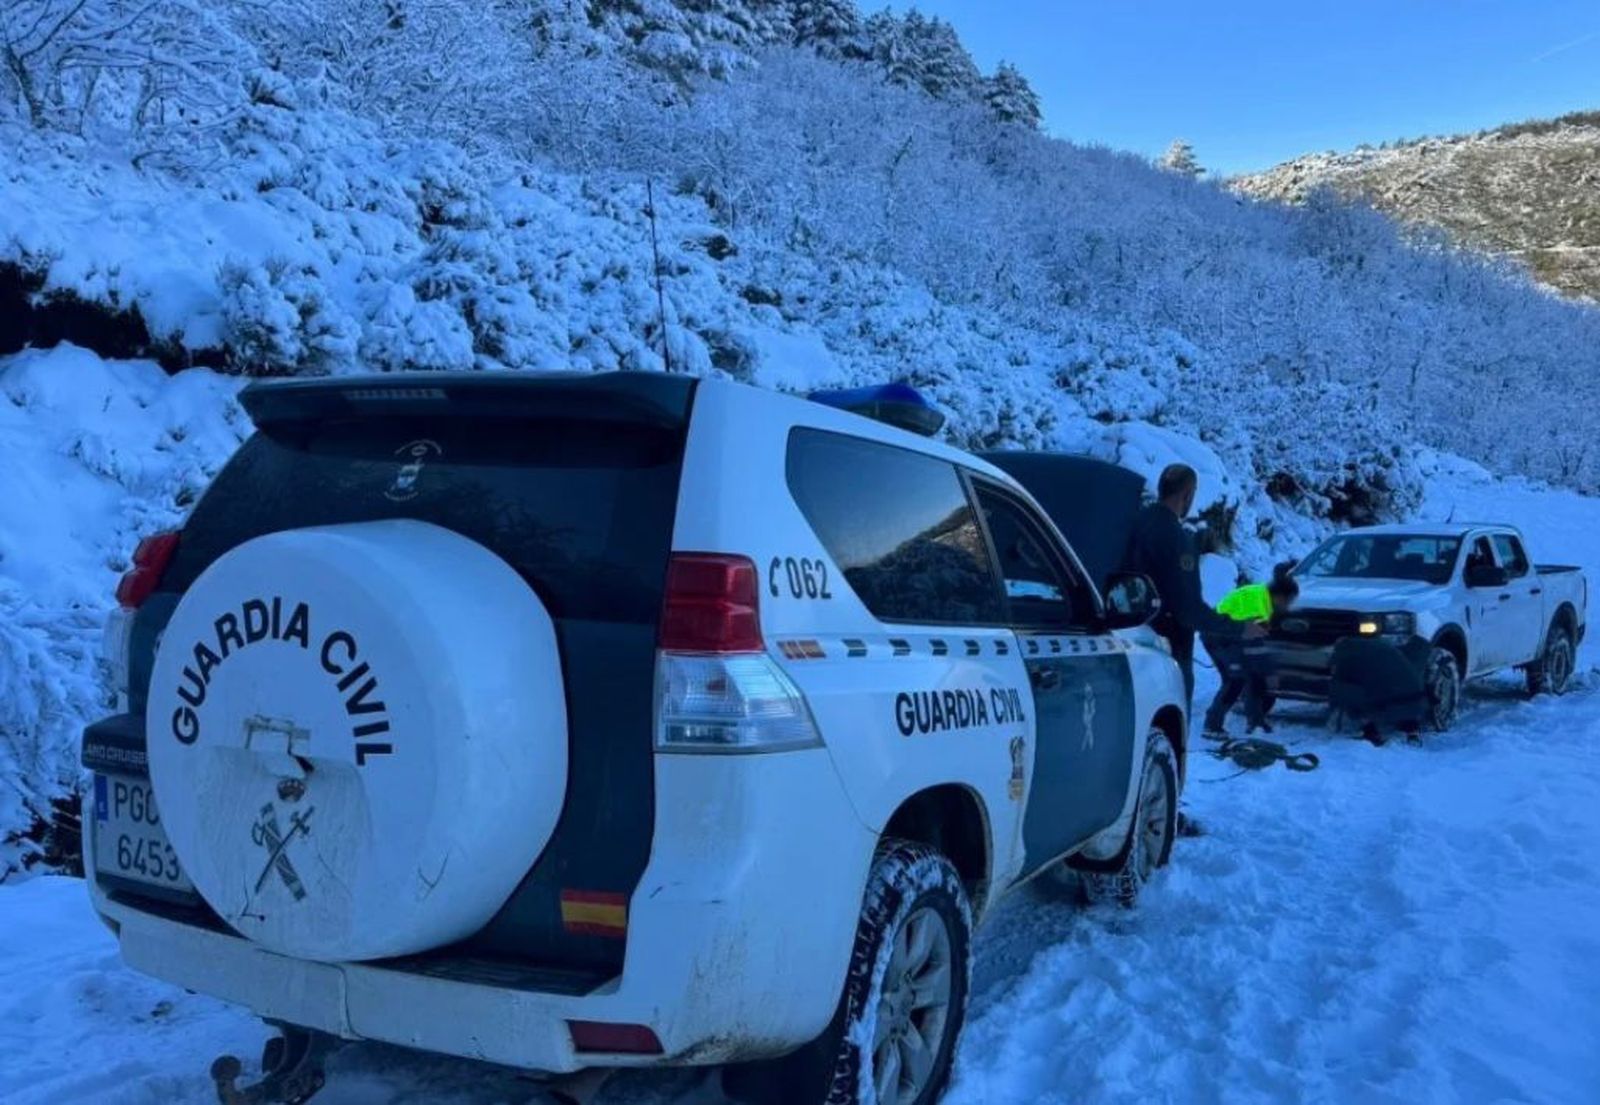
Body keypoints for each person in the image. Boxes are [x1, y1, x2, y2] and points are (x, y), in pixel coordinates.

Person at [1123, 464, 1264, 712]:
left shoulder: (1133, 523)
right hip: (1167, 650)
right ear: (1188, 494)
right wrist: (1240, 627)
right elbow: (1188, 610)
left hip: (1126, 639)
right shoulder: (1177, 539)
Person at [1202, 563, 1300, 737]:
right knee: (1236, 680)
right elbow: (1256, 651)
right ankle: (1212, 726)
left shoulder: (1263, 595)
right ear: (1279, 597)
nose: (1288, 606)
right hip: (1218, 638)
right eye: (1288, 601)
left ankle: (1255, 722)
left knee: (1249, 676)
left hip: (1229, 635)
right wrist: (1271, 674)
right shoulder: (1256, 609)